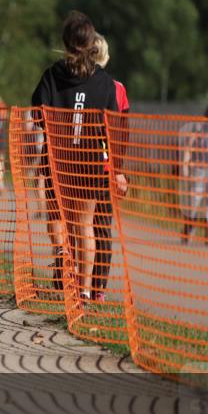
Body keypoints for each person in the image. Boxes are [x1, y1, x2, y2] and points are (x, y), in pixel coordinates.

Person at [31, 11, 127, 302]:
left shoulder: (52, 75)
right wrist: (117, 168)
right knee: (84, 226)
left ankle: (65, 267)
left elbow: (38, 115)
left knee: (62, 221)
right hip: (90, 165)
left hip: (58, 162)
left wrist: (66, 121)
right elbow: (113, 128)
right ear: (91, 44)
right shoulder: (106, 83)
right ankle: (83, 291)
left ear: (66, 42)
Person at [91, 34, 130, 299]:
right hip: (104, 169)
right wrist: (119, 170)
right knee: (100, 228)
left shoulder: (72, 84)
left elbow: (120, 131)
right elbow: (121, 133)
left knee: (79, 226)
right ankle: (95, 291)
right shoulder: (116, 88)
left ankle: (87, 288)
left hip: (78, 168)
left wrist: (118, 171)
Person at [180, 103, 208, 247]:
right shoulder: (199, 128)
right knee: (194, 204)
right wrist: (185, 165)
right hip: (198, 169)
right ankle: (188, 232)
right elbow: (189, 147)